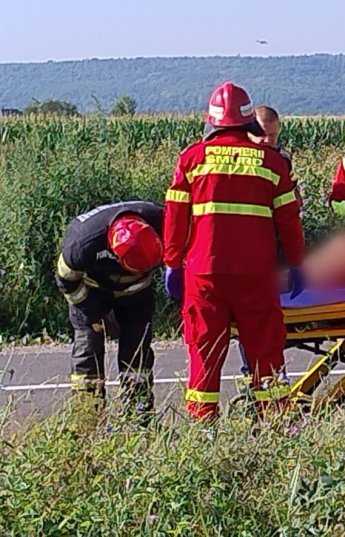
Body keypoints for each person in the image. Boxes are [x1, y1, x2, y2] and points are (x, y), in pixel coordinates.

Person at [163, 81, 304, 421]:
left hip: (204, 274)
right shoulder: (271, 164)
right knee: (266, 353)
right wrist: (298, 264)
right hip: (256, 276)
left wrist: (172, 263)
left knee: (204, 354)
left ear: (211, 122)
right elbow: (289, 223)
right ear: (247, 122)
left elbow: (175, 219)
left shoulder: (192, 159)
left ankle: (204, 428)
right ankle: (274, 423)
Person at [55, 201, 164, 416]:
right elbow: (66, 281)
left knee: (138, 350)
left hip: (137, 296)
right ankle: (88, 415)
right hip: (91, 290)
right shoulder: (83, 243)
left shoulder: (163, 221)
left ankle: (139, 414)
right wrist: (90, 310)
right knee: (88, 349)